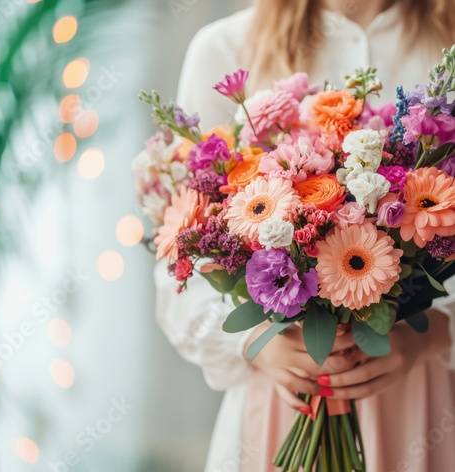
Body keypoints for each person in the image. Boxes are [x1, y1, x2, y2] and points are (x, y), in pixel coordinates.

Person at [154, 1, 455, 470]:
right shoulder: (225, 47)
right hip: (277, 407)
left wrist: (437, 333)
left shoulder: (446, 40)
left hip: (423, 401)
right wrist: (253, 341)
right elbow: (180, 262)